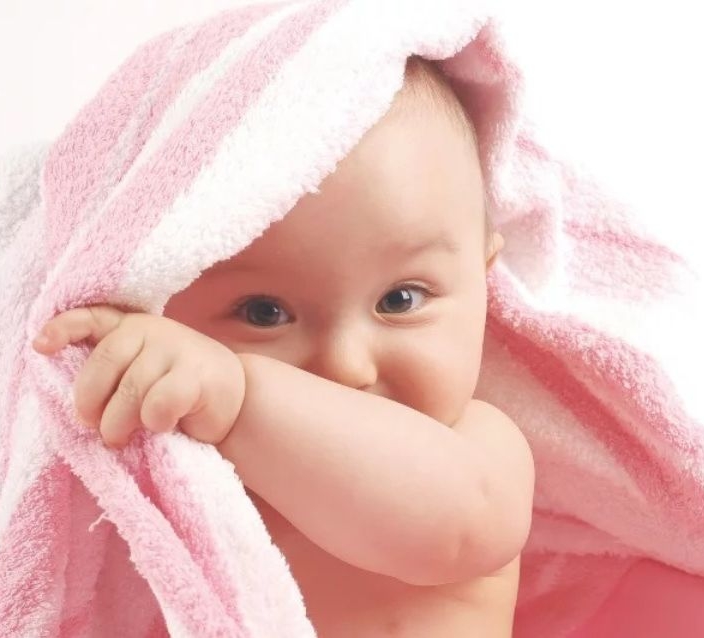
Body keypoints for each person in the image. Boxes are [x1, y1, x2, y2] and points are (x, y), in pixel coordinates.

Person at [32, 56, 535, 637]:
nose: (345, 366)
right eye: (264, 313)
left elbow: (455, 533)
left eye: (400, 300)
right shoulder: (168, 470)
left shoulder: (479, 447)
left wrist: (240, 396)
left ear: (483, 282)